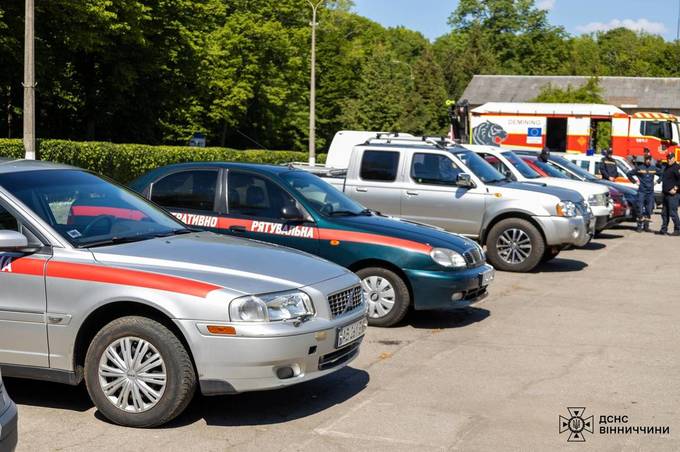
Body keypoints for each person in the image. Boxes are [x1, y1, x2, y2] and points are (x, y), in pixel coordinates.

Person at [627, 154, 660, 232]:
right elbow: (629, 174)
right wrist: (635, 182)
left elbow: (662, 173)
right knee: (640, 209)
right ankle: (639, 226)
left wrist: (657, 181)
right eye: (647, 159)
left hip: (650, 192)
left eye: (649, 159)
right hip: (642, 191)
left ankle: (646, 226)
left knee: (649, 210)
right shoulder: (640, 168)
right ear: (644, 160)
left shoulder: (653, 168)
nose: (648, 160)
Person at [657, 152, 680, 236]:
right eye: (668, 158)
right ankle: (664, 229)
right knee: (664, 213)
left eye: (670, 158)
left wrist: (675, 188)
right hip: (665, 194)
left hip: (673, 195)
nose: (668, 159)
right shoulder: (667, 167)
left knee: (673, 213)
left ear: (674, 158)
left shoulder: (677, 167)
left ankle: (678, 230)